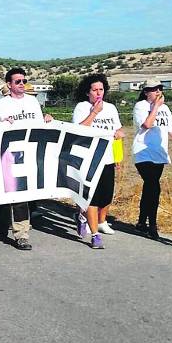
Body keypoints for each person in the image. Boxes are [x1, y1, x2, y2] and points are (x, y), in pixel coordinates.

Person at [0, 67, 53, 251]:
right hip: (9, 156)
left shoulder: (33, 102)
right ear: (9, 84)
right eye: (18, 81)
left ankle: (21, 235)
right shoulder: (0, 105)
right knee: (8, 195)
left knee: (22, 197)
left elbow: (39, 127)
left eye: (24, 81)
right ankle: (0, 221)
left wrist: (47, 120)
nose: (22, 84)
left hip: (30, 155)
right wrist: (1, 125)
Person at [72, 73, 124, 249]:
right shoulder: (82, 107)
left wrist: (118, 154)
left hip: (108, 158)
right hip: (89, 160)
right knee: (91, 198)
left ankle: (81, 215)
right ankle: (95, 236)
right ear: (88, 92)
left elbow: (118, 131)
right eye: (94, 90)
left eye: (101, 89)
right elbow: (78, 131)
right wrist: (94, 112)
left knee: (106, 196)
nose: (98, 93)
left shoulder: (111, 108)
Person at [132, 79, 172, 239]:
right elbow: (146, 125)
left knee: (149, 187)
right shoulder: (140, 106)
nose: (157, 92)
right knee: (153, 186)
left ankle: (141, 222)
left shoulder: (166, 109)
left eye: (159, 89)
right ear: (145, 92)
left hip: (159, 154)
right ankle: (152, 225)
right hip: (143, 152)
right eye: (152, 89)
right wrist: (155, 106)